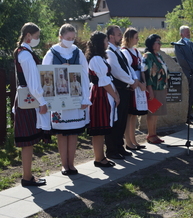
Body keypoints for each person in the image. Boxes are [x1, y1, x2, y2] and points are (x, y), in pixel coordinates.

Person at [42, 24, 91, 175]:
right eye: (68, 38)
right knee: (62, 133)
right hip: (59, 99)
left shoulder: (78, 52)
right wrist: (59, 69)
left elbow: (84, 74)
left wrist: (85, 98)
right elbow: (44, 75)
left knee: (74, 132)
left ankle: (72, 163)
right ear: (60, 37)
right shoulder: (52, 53)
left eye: (73, 38)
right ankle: (64, 164)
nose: (71, 41)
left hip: (75, 97)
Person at [13, 22, 50, 187]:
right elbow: (33, 82)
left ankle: (28, 175)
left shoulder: (24, 52)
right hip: (29, 98)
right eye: (36, 36)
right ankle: (27, 177)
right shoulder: (25, 55)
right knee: (27, 141)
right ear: (28, 35)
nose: (37, 39)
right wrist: (42, 101)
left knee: (28, 141)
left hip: (27, 97)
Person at [85, 31, 119, 168]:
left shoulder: (100, 58)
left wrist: (115, 93)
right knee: (99, 128)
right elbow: (103, 81)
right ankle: (99, 158)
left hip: (105, 93)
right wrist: (115, 95)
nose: (107, 43)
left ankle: (101, 156)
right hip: (100, 94)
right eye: (105, 41)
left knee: (102, 128)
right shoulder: (96, 59)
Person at [105, 25, 140, 160]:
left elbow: (127, 68)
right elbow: (117, 71)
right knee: (116, 120)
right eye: (119, 34)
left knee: (122, 120)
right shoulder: (109, 52)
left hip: (126, 89)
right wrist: (132, 82)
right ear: (111, 37)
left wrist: (134, 79)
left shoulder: (118, 51)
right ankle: (112, 150)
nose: (121, 37)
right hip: (118, 90)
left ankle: (120, 146)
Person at [121, 27, 148, 150]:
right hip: (132, 85)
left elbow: (141, 68)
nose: (138, 40)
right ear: (130, 38)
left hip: (139, 85)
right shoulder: (125, 51)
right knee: (129, 115)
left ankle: (134, 140)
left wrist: (144, 82)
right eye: (136, 37)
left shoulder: (136, 51)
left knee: (134, 116)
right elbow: (129, 69)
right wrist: (137, 83)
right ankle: (128, 142)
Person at [142, 34, 168, 144]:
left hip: (161, 87)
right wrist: (150, 89)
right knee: (152, 112)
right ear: (152, 44)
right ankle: (150, 135)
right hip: (153, 88)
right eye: (158, 42)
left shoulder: (158, 56)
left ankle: (154, 134)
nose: (160, 44)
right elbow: (147, 74)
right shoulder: (148, 56)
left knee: (157, 113)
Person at [173, 25, 193, 121]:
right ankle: (184, 115)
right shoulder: (178, 45)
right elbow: (181, 60)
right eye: (186, 32)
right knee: (185, 94)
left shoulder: (191, 44)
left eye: (189, 32)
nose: (188, 34)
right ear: (181, 34)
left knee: (191, 94)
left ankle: (190, 114)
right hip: (186, 73)